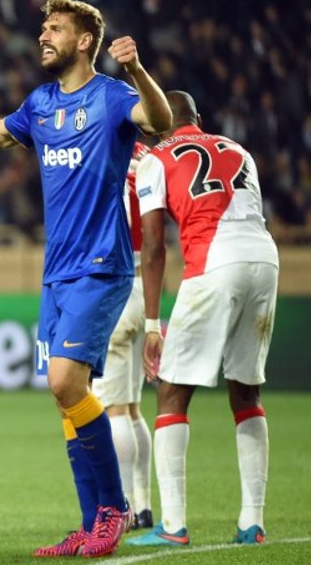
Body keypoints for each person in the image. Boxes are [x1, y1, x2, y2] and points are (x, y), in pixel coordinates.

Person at [0, 0, 171, 558]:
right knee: (66, 399)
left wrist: (138, 70)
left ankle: (113, 509)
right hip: (56, 273)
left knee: (65, 382)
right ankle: (90, 525)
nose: (43, 36)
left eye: (56, 29)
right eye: (43, 28)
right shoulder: (40, 103)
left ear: (84, 41)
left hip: (100, 264)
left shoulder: (112, 96)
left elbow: (160, 122)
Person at [127, 91, 278, 548]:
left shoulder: (155, 159)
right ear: (199, 117)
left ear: (156, 122)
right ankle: (252, 522)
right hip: (265, 259)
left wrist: (152, 325)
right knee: (246, 391)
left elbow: (154, 246)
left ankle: (173, 526)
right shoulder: (238, 149)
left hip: (213, 261)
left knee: (171, 391)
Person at [92, 141, 155, 530]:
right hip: (143, 282)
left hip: (111, 282)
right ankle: (144, 505)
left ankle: (125, 505)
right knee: (132, 408)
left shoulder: (97, 151)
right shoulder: (146, 155)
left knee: (113, 408)